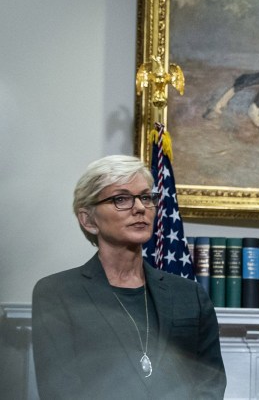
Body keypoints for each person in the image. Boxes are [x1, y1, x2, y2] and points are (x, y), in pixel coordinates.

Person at [32, 155, 226, 399]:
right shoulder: (57, 293)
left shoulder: (190, 294)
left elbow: (211, 382)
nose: (140, 208)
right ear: (89, 220)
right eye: (121, 199)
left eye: (146, 197)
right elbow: (59, 390)